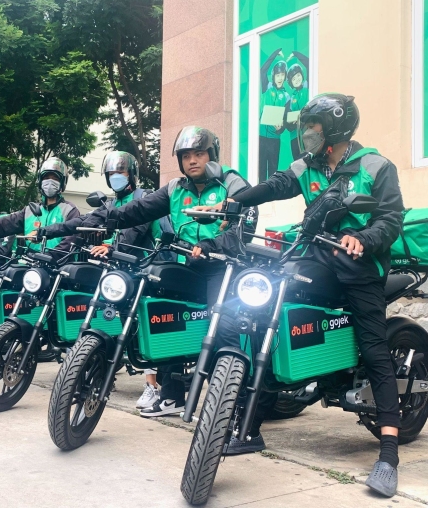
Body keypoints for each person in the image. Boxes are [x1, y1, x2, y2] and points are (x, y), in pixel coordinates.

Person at [200, 94, 404, 498]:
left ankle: (388, 455)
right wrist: (232, 200)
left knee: (375, 349)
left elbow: (391, 219)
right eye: (305, 126)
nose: (305, 133)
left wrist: (362, 238)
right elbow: (276, 185)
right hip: (316, 260)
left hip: (361, 268)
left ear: (334, 132)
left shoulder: (376, 166)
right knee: (269, 309)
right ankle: (251, 425)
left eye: (313, 127)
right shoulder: (307, 166)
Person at [37, 127, 257, 417]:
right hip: (185, 264)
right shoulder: (175, 189)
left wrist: (210, 244)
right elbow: (130, 213)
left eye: (199, 154)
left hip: (222, 266)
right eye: (186, 155)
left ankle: (237, 406)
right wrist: (62, 228)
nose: (192, 160)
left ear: (212, 156)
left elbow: (246, 226)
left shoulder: (231, 181)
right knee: (163, 315)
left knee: (225, 329)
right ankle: (171, 395)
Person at [38, 151, 171, 409]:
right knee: (115, 319)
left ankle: (152, 386)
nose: (116, 178)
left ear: (131, 174)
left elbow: (135, 230)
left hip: (149, 268)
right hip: (124, 270)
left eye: (120, 173)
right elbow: (83, 223)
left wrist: (111, 248)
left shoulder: (143, 197)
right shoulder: (110, 204)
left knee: (143, 324)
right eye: (111, 174)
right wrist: (47, 234)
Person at [259, 49, 290, 182]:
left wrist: (281, 128)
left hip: (274, 139)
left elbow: (286, 119)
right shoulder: (267, 87)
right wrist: (275, 53)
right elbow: (262, 70)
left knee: (273, 172)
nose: (280, 78)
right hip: (261, 137)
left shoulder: (287, 96)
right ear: (273, 76)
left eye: (282, 75)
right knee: (260, 170)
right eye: (278, 75)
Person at [284, 51, 310, 160]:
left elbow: (310, 64)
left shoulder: (308, 87)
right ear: (290, 83)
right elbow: (286, 122)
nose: (297, 79)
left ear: (302, 75)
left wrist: (296, 54)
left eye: (298, 75)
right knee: (297, 166)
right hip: (295, 138)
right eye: (293, 79)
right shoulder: (290, 98)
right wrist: (291, 123)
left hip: (308, 133)